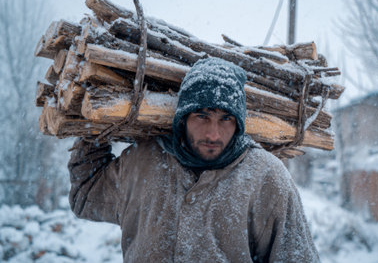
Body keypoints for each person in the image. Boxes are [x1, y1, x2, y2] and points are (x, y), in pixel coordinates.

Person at [68, 58, 320, 262]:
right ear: (182, 118)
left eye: (226, 119)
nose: (213, 133)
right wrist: (93, 126)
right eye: (201, 116)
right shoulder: (142, 162)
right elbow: (86, 196)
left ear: (239, 124)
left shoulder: (265, 177)